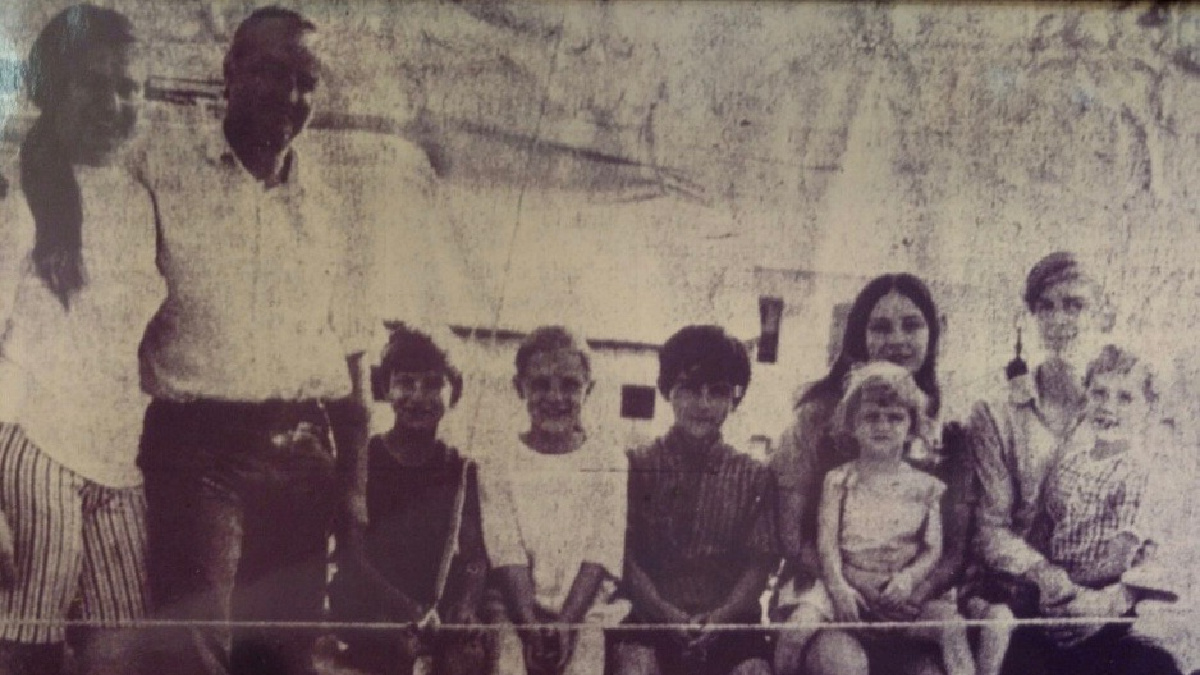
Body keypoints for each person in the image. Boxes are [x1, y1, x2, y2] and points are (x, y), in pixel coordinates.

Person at [134, 7, 371, 675]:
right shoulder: (164, 174)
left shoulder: (330, 206)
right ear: (230, 71)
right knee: (194, 650)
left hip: (303, 455)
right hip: (197, 452)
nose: (290, 98)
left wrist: (353, 492)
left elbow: (355, 357)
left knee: (284, 656)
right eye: (271, 73)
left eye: (306, 82)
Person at [0, 6, 164, 675]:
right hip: (34, 444)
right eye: (92, 84)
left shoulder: (139, 197)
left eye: (130, 88)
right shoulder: (16, 193)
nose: (114, 103)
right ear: (51, 89)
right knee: (27, 643)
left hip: (116, 456)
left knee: (119, 647)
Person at [968, 252, 1181, 675]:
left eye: (1075, 305)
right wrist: (1046, 577)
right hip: (1024, 599)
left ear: (1104, 312)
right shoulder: (997, 413)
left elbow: (1156, 524)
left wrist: (1109, 603)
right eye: (1045, 306)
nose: (1059, 319)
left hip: (1106, 602)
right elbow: (990, 529)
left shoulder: (1128, 405)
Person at [771, 274, 972, 675]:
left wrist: (914, 591)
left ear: (933, 334)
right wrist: (857, 587)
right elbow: (791, 538)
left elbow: (954, 550)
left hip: (911, 601)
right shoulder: (815, 420)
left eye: (911, 325)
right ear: (859, 337)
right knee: (843, 666)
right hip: (830, 592)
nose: (897, 339)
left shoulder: (952, 432)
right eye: (880, 327)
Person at [613, 325, 776, 675]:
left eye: (717, 392)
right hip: (650, 620)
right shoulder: (637, 465)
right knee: (634, 666)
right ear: (667, 391)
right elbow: (624, 557)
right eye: (688, 389)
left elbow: (758, 566)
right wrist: (663, 613)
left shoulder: (754, 476)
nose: (703, 405)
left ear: (735, 398)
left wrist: (720, 619)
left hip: (730, 625)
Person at [328, 324, 489, 675]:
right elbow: (352, 554)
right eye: (405, 382)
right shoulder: (364, 460)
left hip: (434, 615)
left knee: (470, 659)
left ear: (455, 392)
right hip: (371, 608)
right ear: (386, 387)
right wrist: (406, 612)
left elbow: (475, 555)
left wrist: (465, 605)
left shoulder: (461, 468)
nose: (418, 396)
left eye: (433, 384)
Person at [478, 326, 628, 675]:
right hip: (514, 607)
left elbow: (600, 553)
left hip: (584, 607)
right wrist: (528, 624)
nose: (555, 397)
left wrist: (567, 623)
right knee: (509, 665)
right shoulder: (498, 459)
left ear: (589, 389)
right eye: (541, 384)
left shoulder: (609, 460)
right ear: (519, 388)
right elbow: (506, 551)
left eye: (570, 385)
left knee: (585, 666)